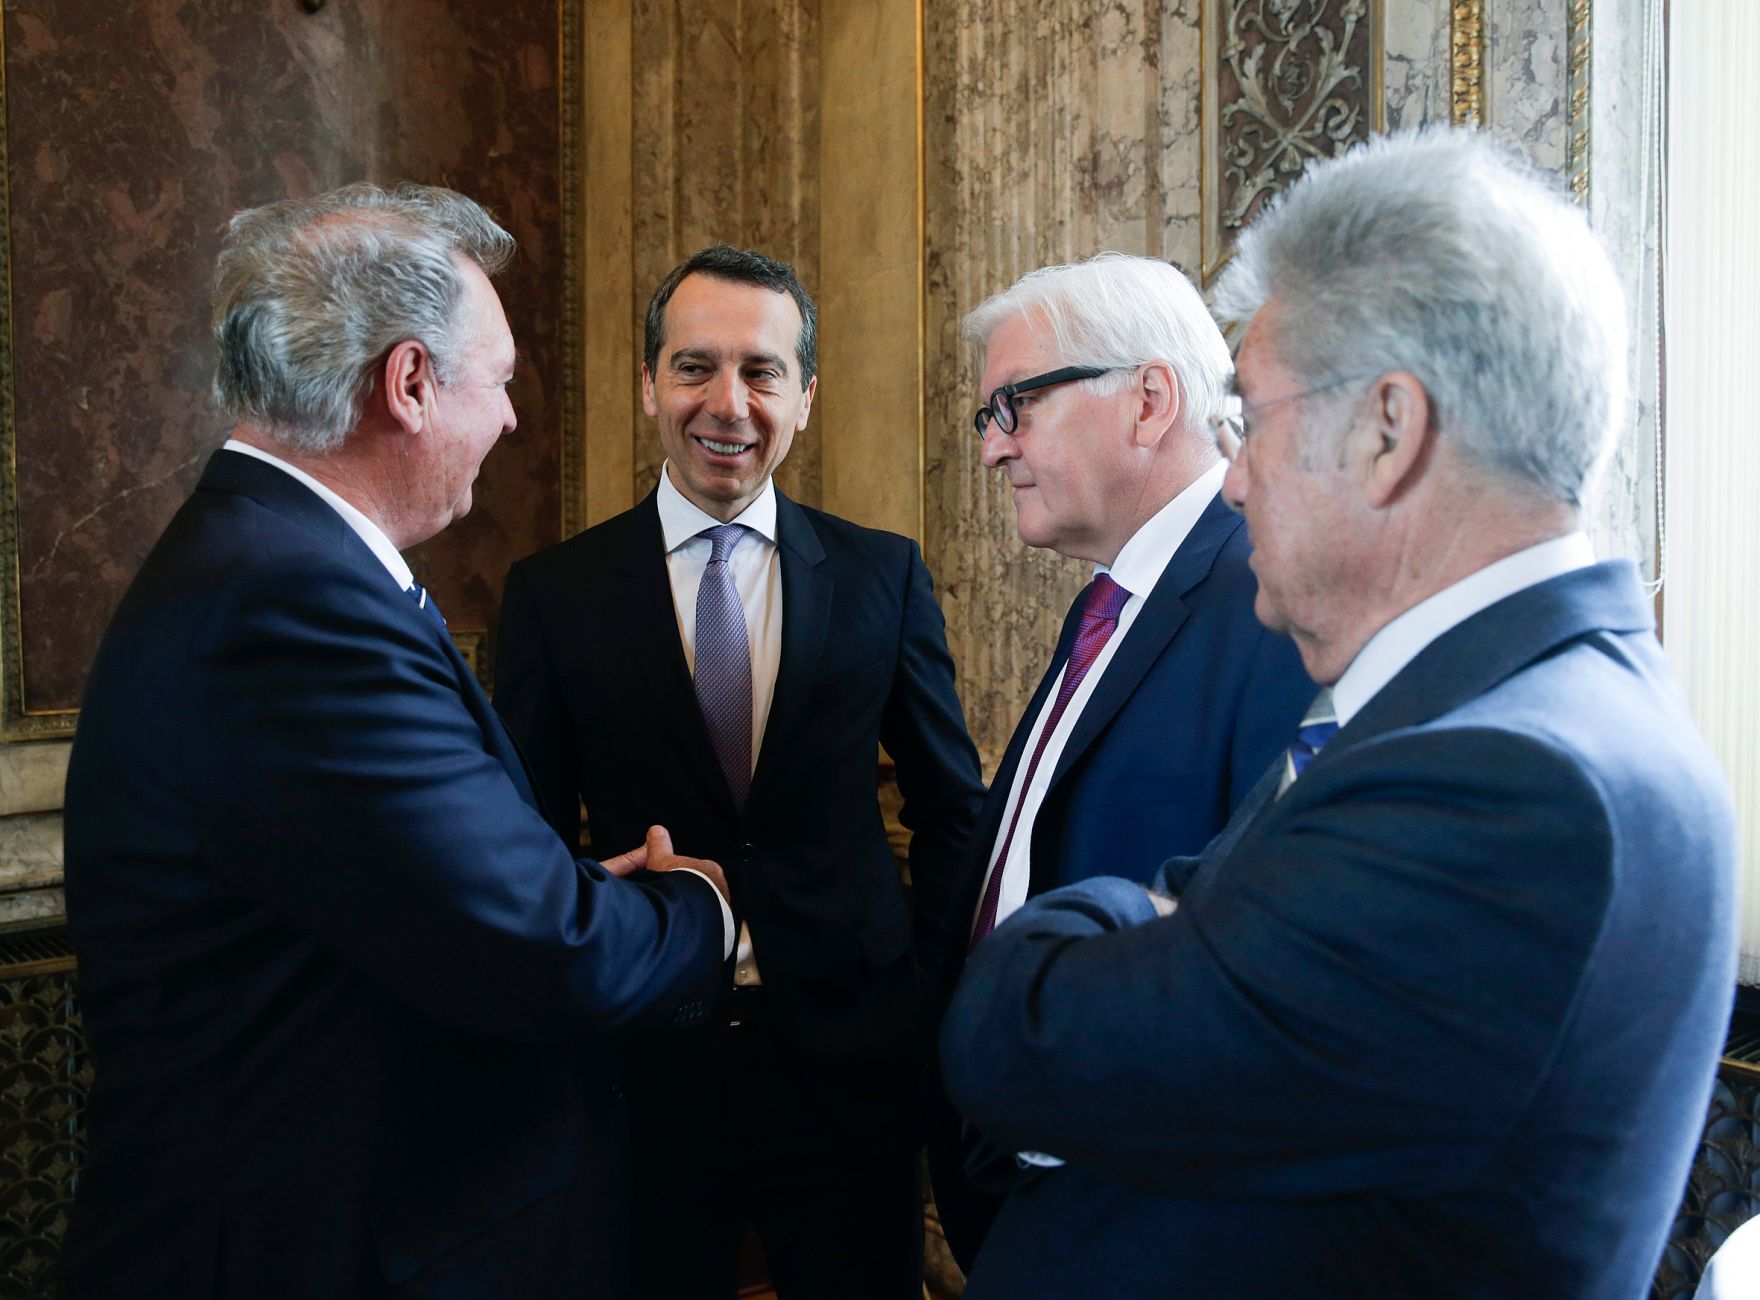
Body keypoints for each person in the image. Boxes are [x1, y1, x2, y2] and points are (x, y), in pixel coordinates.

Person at [939, 127, 1737, 1298]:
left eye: (1251, 417)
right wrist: (1174, 915)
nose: (1233, 474)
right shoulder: (1501, 707)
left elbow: (1025, 1038)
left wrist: (1126, 914)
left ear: (1384, 429)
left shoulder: (1507, 784)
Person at [61, 183, 732, 1300]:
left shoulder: (266, 559)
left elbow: (374, 884)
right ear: (410, 383)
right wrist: (699, 907)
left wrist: (548, 884)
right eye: (502, 380)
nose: (511, 419)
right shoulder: (290, 604)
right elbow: (547, 955)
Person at [494, 245, 984, 1300]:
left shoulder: (881, 575)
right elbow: (520, 840)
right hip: (644, 1072)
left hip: (852, 1072)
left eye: (761, 371)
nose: (729, 402)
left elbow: (954, 810)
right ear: (647, 385)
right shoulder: (552, 595)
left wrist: (925, 1002)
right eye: (694, 366)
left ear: (804, 396)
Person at [927, 253, 1311, 1266]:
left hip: (1136, 1216)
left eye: (1015, 406)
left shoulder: (1264, 605)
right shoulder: (1112, 601)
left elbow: (1249, 963)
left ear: (1148, 399)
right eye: (987, 417)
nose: (991, 449)